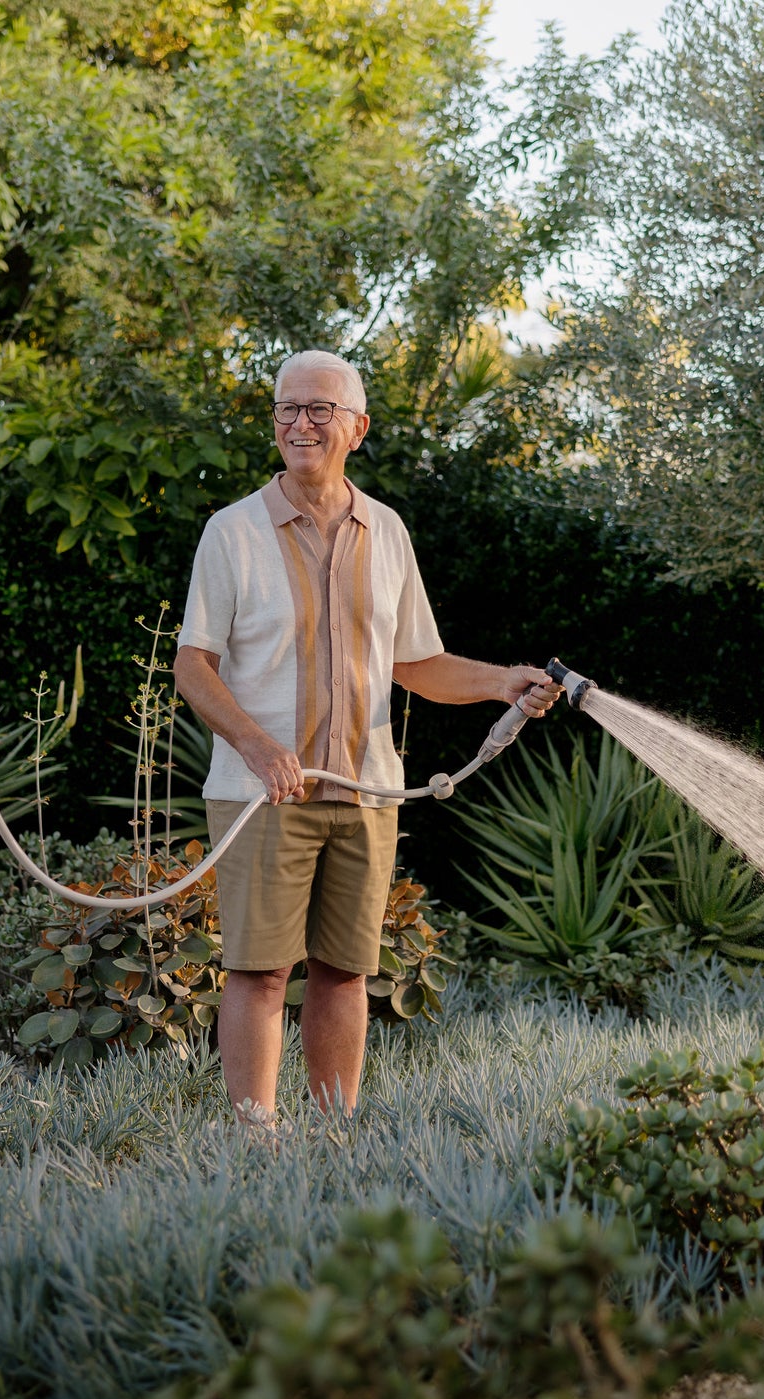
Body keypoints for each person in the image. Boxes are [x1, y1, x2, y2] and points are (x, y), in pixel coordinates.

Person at [173, 349, 560, 1122]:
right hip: (262, 797)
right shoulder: (232, 532)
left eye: (319, 409)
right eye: (288, 408)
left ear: (357, 427)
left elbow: (415, 661)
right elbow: (192, 666)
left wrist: (499, 681)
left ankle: (332, 1137)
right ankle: (256, 1141)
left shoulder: (385, 530)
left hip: (366, 794)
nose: (300, 423)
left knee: (345, 973)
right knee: (259, 973)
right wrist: (256, 746)